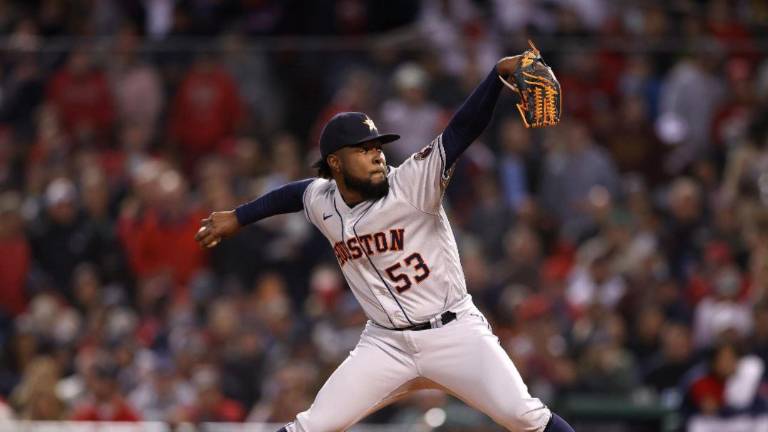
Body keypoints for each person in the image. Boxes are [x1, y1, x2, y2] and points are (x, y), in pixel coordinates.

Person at [196, 50, 575, 432]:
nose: (377, 155)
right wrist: (239, 217)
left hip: (453, 332)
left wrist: (495, 77)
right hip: (385, 344)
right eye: (363, 150)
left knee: (526, 418)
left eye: (377, 146)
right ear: (336, 164)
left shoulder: (411, 183)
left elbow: (461, 131)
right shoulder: (323, 199)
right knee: (310, 427)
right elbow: (293, 194)